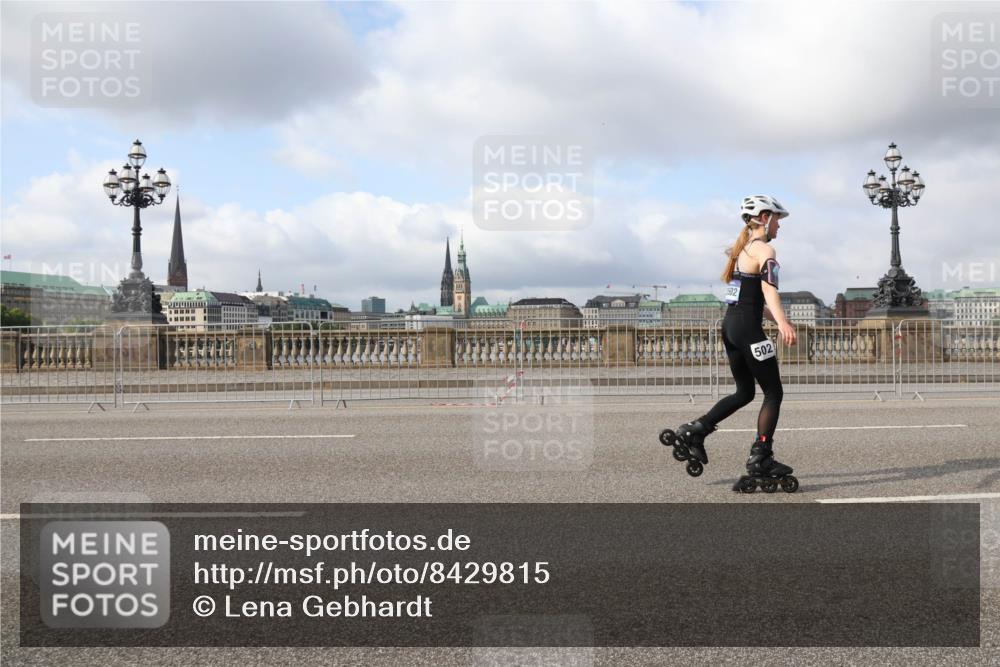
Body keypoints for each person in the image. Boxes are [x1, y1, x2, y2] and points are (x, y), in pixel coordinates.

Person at [663, 195, 799, 492]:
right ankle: (761, 456)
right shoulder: (765, 249)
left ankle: (696, 431)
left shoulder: (741, 251)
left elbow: (748, 300)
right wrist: (783, 323)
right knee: (773, 393)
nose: (779, 225)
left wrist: (778, 319)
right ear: (765, 218)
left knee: (744, 392)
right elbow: (770, 291)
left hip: (732, 328)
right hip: (749, 332)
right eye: (777, 219)